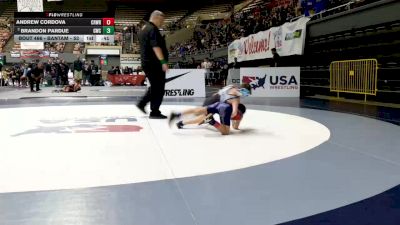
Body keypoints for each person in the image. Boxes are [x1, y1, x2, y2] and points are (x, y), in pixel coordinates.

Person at [137, 10, 169, 119]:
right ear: (157, 17)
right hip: (154, 63)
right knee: (159, 88)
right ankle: (154, 111)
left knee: (156, 86)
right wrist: (163, 62)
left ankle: (143, 103)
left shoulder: (144, 28)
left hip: (147, 62)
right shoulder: (152, 29)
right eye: (162, 20)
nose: (162, 23)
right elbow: (155, 47)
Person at [169, 103, 247, 135]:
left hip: (219, 104)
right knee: (225, 132)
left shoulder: (232, 100)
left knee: (197, 111)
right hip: (225, 109)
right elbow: (235, 126)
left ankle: (177, 114)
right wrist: (238, 119)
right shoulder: (235, 110)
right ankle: (212, 121)